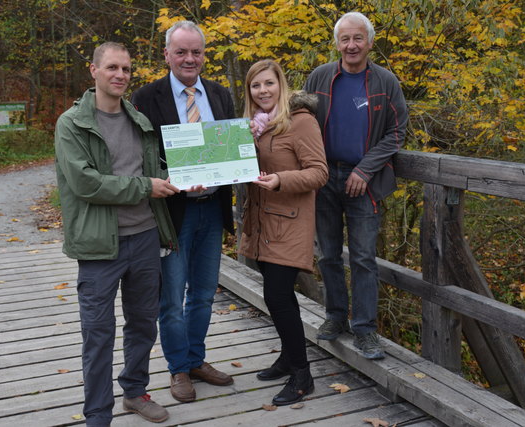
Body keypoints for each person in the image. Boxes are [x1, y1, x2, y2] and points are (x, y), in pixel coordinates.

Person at [54, 42, 179, 426]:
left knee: (144, 322)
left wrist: (194, 174)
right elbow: (86, 184)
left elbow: (157, 165)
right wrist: (146, 186)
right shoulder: (71, 124)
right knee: (98, 334)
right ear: (93, 71)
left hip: (144, 238)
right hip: (99, 246)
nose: (120, 75)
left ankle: (135, 391)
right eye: (112, 68)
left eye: (125, 69)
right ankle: (97, 415)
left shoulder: (138, 120)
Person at [130, 21, 236, 403]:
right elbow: (138, 157)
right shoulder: (146, 97)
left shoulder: (221, 95)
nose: (190, 59)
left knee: (205, 293)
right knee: (172, 297)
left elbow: (232, 149)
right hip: (173, 213)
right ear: (167, 55)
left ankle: (195, 359)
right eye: (182, 52)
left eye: (197, 52)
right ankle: (177, 368)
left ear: (204, 55)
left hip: (213, 209)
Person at [304, 12, 408, 359]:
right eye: (345, 39)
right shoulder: (319, 77)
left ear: (369, 42)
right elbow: (300, 122)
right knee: (328, 254)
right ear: (337, 43)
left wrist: (365, 170)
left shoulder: (385, 82)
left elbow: (397, 132)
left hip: (364, 181)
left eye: (357, 38)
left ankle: (365, 330)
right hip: (323, 178)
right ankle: (335, 318)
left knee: (363, 258)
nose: (351, 45)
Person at [239, 59, 328, 405]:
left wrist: (280, 180)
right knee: (279, 296)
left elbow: (319, 172)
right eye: (255, 86)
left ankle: (302, 374)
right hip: (262, 222)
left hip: (289, 221)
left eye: (268, 84)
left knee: (277, 295)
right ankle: (289, 357)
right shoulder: (256, 126)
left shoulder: (300, 122)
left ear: (282, 86)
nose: (262, 91)